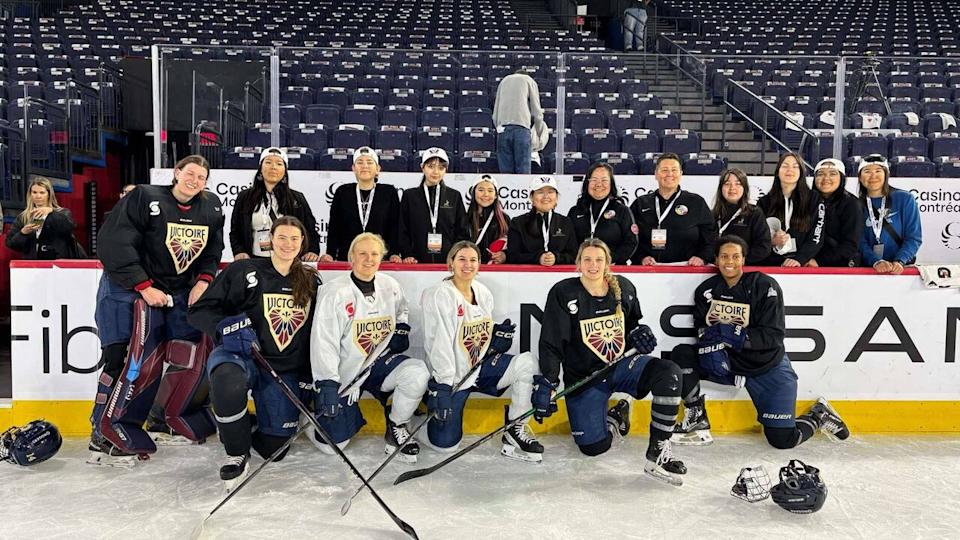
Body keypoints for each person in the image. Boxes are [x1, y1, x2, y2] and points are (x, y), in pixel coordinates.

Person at [89, 155, 224, 466]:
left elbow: (211, 250)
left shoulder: (211, 207)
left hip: (171, 293)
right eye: (190, 173)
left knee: (183, 354)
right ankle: (101, 429)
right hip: (126, 288)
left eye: (202, 177)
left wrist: (203, 281)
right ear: (176, 173)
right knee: (122, 358)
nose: (195, 180)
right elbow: (114, 243)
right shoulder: (144, 197)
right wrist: (143, 285)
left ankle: (160, 417)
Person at [670, 236, 850, 449]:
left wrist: (732, 334)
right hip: (728, 363)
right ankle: (697, 418)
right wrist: (710, 348)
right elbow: (701, 329)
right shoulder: (707, 290)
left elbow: (773, 336)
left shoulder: (764, 285)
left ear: (743, 260)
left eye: (736, 256)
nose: (730, 261)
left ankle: (818, 416)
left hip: (767, 367)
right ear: (716, 260)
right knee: (681, 354)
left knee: (782, 441)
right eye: (724, 256)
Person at [536, 238, 687, 485]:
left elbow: (633, 328)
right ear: (578, 263)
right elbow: (552, 343)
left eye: (599, 259)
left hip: (620, 367)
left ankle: (658, 449)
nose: (593, 265)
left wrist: (641, 334)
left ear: (607, 263)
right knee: (593, 447)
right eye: (587, 259)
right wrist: (547, 382)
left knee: (668, 372)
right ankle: (616, 417)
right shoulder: (564, 292)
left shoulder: (624, 288)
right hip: (586, 377)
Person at [188, 216, 320, 489]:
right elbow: (199, 312)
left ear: (302, 243)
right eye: (282, 237)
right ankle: (236, 453)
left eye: (294, 239)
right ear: (270, 239)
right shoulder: (243, 271)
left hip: (281, 369)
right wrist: (224, 327)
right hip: (240, 357)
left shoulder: (310, 280)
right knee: (227, 379)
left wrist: (309, 375)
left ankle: (241, 424)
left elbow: (313, 334)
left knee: (277, 449)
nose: (288, 244)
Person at [309, 232, 430, 462]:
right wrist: (327, 383)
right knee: (333, 445)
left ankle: (397, 427)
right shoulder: (334, 293)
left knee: (417, 373)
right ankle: (313, 418)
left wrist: (401, 327)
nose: (369, 259)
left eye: (374, 254)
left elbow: (402, 310)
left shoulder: (390, 285)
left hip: (378, 363)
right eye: (362, 253)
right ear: (351, 257)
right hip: (347, 373)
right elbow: (324, 342)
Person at [419, 241, 543, 461]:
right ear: (451, 263)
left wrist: (496, 340)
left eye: (473, 260)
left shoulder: (482, 292)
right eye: (462, 259)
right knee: (444, 446)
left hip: (479, 368)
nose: (468, 265)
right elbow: (438, 344)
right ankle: (416, 421)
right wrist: (444, 385)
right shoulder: (439, 294)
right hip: (453, 376)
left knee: (527, 363)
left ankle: (516, 428)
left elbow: (477, 330)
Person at [230, 147, 320, 262]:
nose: (273, 167)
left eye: (279, 164)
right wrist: (239, 251)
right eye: (268, 162)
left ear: (285, 171)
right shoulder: (245, 197)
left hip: (289, 261)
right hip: (254, 261)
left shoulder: (297, 198)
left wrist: (312, 251)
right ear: (260, 168)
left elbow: (310, 228)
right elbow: (235, 230)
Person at [630, 153, 717, 266]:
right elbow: (630, 237)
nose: (669, 174)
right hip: (649, 270)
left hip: (687, 269)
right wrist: (641, 257)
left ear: (681, 174)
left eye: (674, 170)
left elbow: (711, 237)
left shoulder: (696, 202)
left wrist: (702, 257)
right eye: (664, 170)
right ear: (656, 174)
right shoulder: (640, 203)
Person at [322, 146, 402, 262]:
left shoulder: (388, 192)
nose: (365, 166)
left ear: (378, 169)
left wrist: (394, 253)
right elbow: (334, 226)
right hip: (348, 258)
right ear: (353, 168)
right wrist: (330, 253)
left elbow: (395, 227)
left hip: (380, 258)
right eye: (360, 162)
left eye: (369, 162)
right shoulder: (342, 192)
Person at [397, 147, 470, 264]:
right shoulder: (410, 196)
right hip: (415, 261)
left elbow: (462, 230)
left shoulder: (454, 196)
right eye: (431, 166)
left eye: (441, 168)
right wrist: (407, 254)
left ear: (446, 170)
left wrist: (456, 255)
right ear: (422, 167)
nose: (436, 172)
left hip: (448, 262)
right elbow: (402, 229)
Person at [756, 152, 825, 267]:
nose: (790, 170)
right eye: (785, 166)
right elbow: (759, 235)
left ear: (801, 172)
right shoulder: (764, 202)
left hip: (803, 264)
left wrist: (801, 258)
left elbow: (817, 233)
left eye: (795, 166)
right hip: (772, 264)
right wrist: (771, 241)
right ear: (778, 171)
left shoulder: (814, 198)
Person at [857, 154, 922, 274]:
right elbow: (859, 241)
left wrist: (900, 260)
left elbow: (913, 237)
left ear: (886, 175)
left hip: (900, 268)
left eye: (878, 171)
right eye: (867, 171)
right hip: (868, 269)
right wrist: (875, 261)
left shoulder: (905, 199)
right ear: (860, 177)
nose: (873, 176)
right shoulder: (856, 204)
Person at [568, 162, 639, 265]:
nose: (599, 184)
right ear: (587, 183)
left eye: (604, 180)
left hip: (613, 269)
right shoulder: (575, 211)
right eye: (594, 180)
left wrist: (610, 260)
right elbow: (568, 243)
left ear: (611, 184)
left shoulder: (622, 211)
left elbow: (631, 242)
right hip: (581, 268)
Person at [6, 177, 85, 259]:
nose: (38, 196)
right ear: (30, 194)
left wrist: (51, 212)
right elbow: (11, 244)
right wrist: (23, 233)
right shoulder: (23, 217)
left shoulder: (62, 212)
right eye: (34, 192)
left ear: (49, 194)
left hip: (57, 263)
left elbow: (68, 228)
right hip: (33, 265)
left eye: (42, 192)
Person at [506, 175, 579, 265]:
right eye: (540, 192)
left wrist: (557, 258)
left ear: (556, 198)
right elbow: (512, 256)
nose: (546, 196)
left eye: (550, 192)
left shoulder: (566, 222)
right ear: (532, 197)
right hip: (526, 277)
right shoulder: (517, 223)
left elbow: (575, 255)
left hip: (560, 277)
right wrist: (537, 258)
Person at [808, 159, 863, 268]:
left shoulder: (851, 204)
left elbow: (850, 245)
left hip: (839, 269)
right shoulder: (807, 201)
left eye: (832, 174)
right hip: (806, 264)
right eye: (820, 174)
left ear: (841, 178)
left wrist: (819, 261)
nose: (826, 178)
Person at [711, 168, 771, 265]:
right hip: (716, 269)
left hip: (745, 270)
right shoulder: (713, 215)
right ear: (721, 188)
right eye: (727, 184)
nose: (732, 188)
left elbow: (764, 247)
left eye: (738, 184)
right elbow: (706, 244)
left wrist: (740, 260)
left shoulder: (754, 213)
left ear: (745, 188)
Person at [492, 69, 545, 174]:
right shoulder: (529, 80)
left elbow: (495, 114)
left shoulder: (504, 81)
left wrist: (499, 127)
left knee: (505, 171)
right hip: (521, 128)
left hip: (503, 129)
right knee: (523, 170)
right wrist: (539, 131)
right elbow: (536, 110)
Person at [466, 174, 510, 264]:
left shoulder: (504, 219)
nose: (486, 194)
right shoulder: (464, 218)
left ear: (496, 195)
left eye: (490, 191)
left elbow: (513, 247)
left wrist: (504, 255)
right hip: (469, 267)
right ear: (473, 193)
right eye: (481, 190)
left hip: (494, 270)